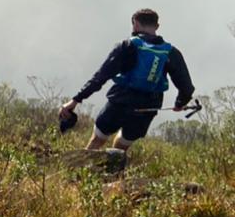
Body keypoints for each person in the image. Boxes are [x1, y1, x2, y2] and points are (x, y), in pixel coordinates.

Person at [60, 8, 195, 150]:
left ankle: (84, 168)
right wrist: (180, 103)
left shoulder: (127, 46)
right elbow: (186, 87)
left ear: (135, 24)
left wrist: (75, 100)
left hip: (120, 101)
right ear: (157, 26)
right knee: (121, 147)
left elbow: (100, 77)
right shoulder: (171, 52)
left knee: (97, 140)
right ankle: (113, 170)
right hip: (147, 107)